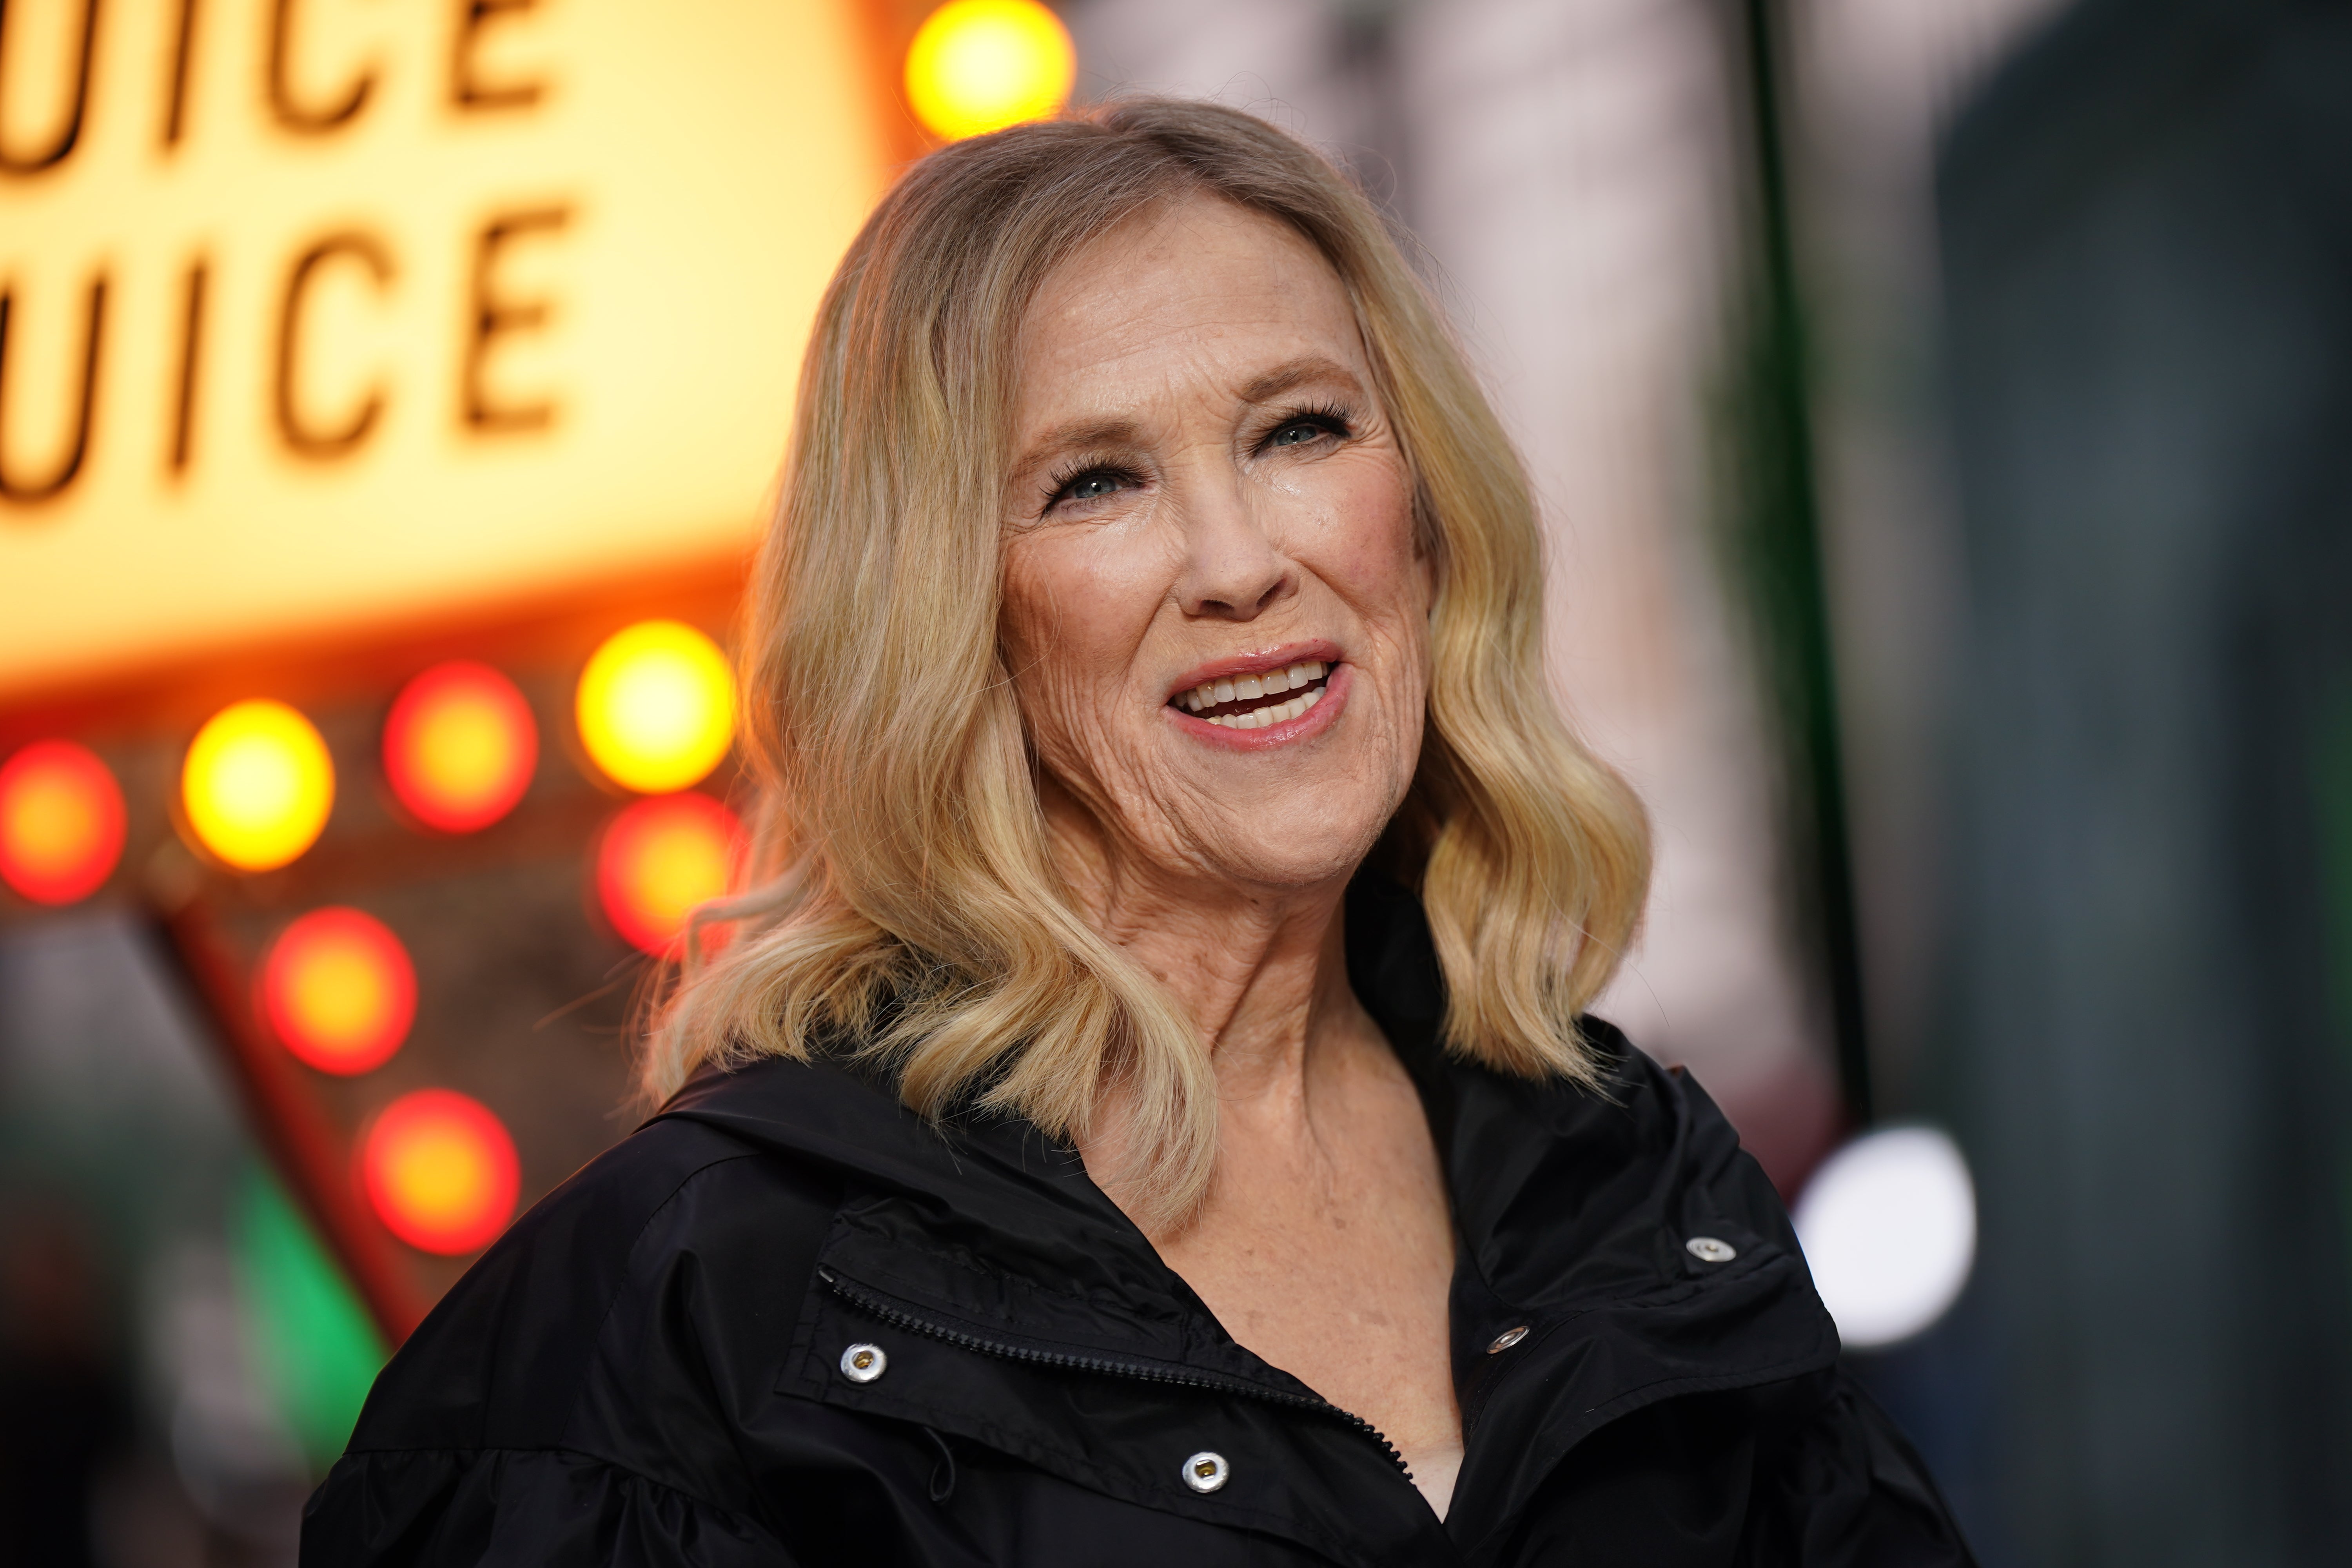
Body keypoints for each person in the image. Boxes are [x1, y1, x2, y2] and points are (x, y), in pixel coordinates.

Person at [302, 99, 1972, 1566]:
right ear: (952, 608)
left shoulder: (1633, 1181)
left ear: (1422, 514)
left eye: (1301, 429)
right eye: (1097, 480)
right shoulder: (668, 1333)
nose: (1241, 559)